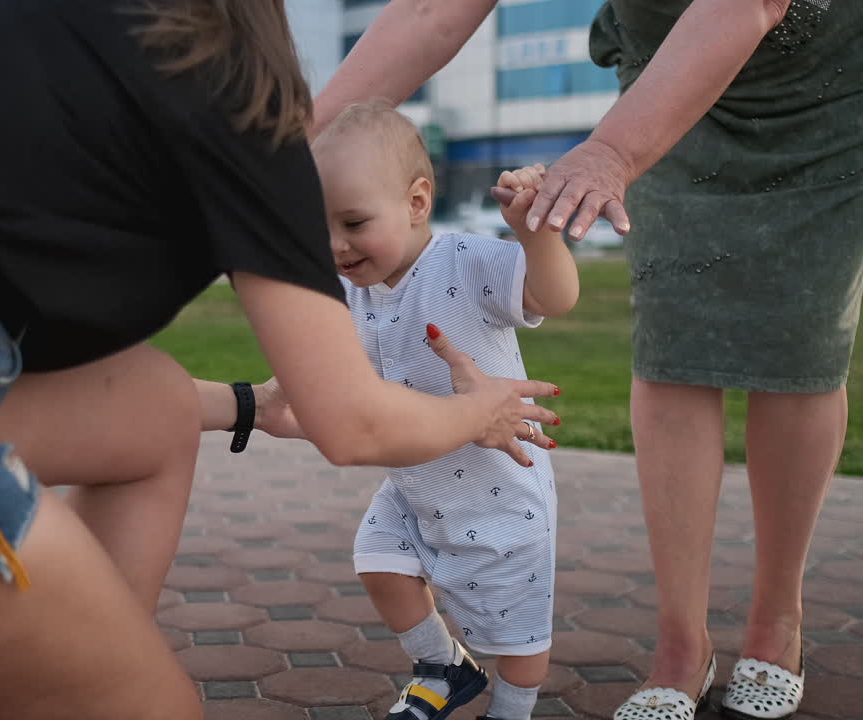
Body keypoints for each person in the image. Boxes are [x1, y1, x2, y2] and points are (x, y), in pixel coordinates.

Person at [0, 2, 561, 719]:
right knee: (152, 710)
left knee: (154, 413)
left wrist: (247, 405)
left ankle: (88, 669)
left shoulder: (40, 28)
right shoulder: (236, 92)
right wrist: (479, 412)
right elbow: (354, 423)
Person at [314, 1, 860, 718]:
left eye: (353, 223)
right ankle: (678, 649)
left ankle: (775, 624)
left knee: (800, 343)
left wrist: (608, 155)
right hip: (669, 83)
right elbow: (427, 9)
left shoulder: (465, 258)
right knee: (674, 346)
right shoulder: (367, 286)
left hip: (817, 87)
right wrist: (295, 144)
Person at [311, 102, 577, 720]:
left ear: (417, 202)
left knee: (517, 631)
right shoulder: (352, 291)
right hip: (414, 481)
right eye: (319, 225)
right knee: (377, 563)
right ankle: (444, 665)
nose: (335, 244)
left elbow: (555, 296)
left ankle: (513, 706)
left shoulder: (466, 259)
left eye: (353, 222)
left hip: (500, 489)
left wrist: (538, 236)